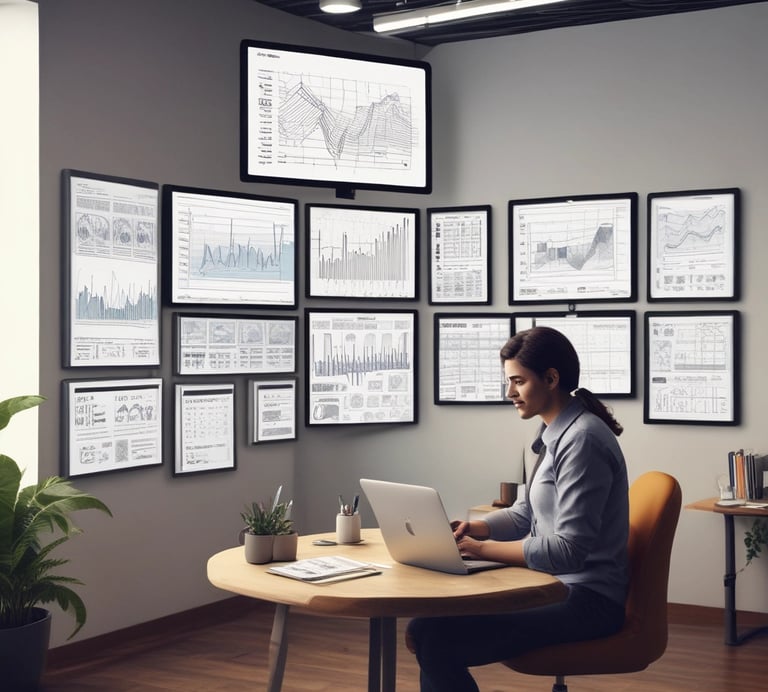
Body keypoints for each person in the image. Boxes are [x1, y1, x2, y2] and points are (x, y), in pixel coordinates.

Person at [407, 326, 629, 692]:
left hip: (588, 600)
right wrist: (475, 529)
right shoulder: (552, 433)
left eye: (518, 381)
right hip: (555, 585)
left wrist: (481, 550)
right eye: (508, 381)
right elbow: (526, 512)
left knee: (436, 638)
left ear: (551, 379)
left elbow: (568, 551)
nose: (509, 392)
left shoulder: (582, 440)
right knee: (425, 628)